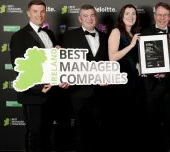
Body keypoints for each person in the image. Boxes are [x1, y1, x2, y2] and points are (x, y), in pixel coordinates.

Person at [9, 0, 70, 151]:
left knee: (47, 134)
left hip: (51, 94)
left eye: (42, 11)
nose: (39, 15)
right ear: (28, 13)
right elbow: (19, 67)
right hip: (33, 94)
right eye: (35, 11)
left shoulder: (49, 33)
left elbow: (53, 63)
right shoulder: (19, 36)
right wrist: (39, 87)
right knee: (34, 135)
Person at [60, 4, 109, 152]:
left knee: (98, 129)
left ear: (96, 17)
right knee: (80, 130)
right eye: (86, 16)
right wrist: (63, 78)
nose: (89, 18)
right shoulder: (69, 36)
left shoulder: (106, 37)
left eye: (92, 15)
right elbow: (62, 62)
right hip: (78, 92)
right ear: (80, 18)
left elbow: (109, 62)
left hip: (100, 91)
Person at [140, 2, 170, 151]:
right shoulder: (144, 33)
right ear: (154, 16)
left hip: (169, 85)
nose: (162, 18)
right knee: (151, 121)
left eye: (165, 15)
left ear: (169, 17)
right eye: (159, 14)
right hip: (151, 85)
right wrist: (144, 69)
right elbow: (140, 59)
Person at [107, 4, 143, 151]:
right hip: (120, 83)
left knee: (133, 121)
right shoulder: (116, 32)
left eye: (133, 13)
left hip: (135, 82)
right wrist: (132, 45)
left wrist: (140, 67)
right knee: (121, 120)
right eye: (127, 13)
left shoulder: (134, 33)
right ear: (122, 16)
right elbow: (112, 57)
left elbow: (133, 60)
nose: (130, 16)